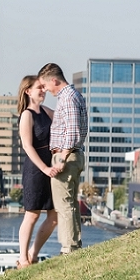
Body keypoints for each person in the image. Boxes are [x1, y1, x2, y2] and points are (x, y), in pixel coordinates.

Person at [38, 62, 88, 255]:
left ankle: (69, 248)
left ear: (54, 80)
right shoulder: (75, 96)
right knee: (71, 203)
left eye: (45, 85)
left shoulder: (67, 98)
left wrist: (62, 157)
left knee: (64, 204)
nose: (45, 89)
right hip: (74, 154)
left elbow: (73, 130)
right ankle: (73, 245)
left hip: (66, 155)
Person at [16, 75, 59, 268]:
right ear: (28, 91)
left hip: (51, 168)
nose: (43, 91)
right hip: (36, 169)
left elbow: (62, 118)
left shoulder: (46, 111)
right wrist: (44, 168)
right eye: (39, 88)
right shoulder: (27, 115)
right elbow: (27, 146)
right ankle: (23, 259)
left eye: (43, 87)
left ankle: (33, 254)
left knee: (54, 216)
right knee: (32, 215)